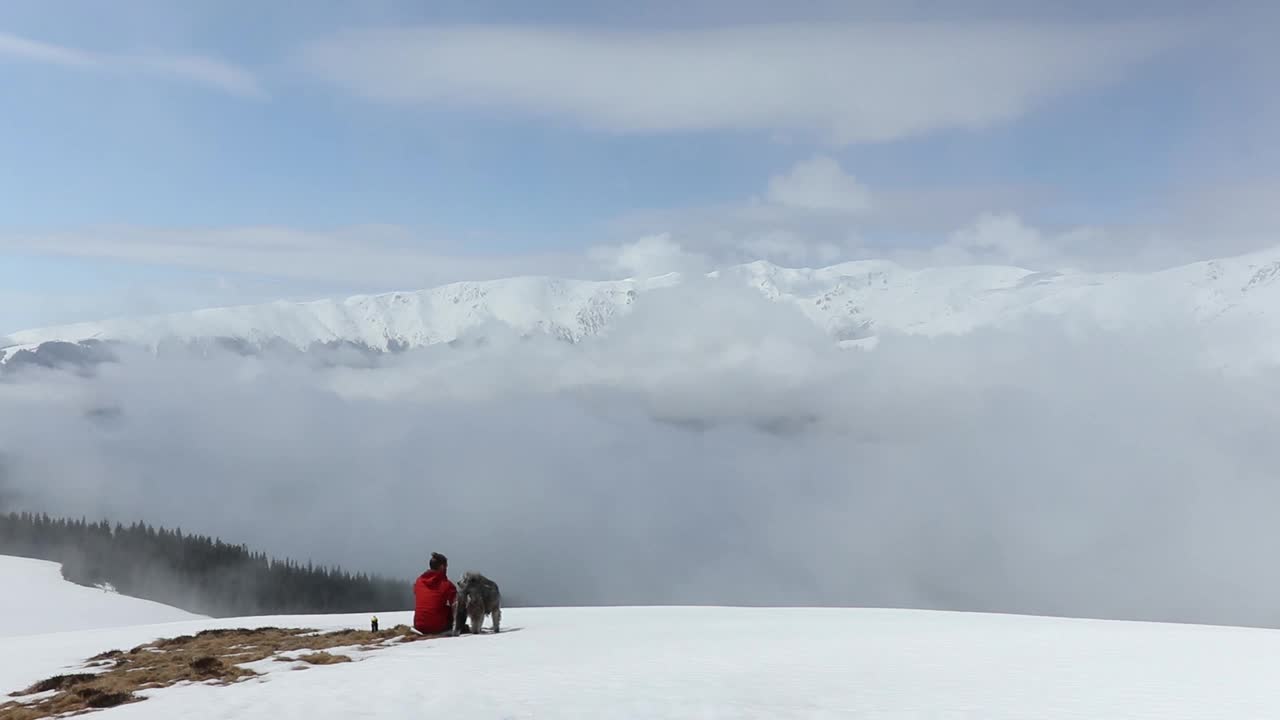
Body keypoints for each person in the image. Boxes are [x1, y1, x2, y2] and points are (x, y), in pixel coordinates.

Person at [412, 552, 457, 635]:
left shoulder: (419, 581)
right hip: (437, 627)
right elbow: (456, 604)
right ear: (442, 567)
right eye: (446, 566)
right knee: (450, 609)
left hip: (419, 625)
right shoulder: (447, 584)